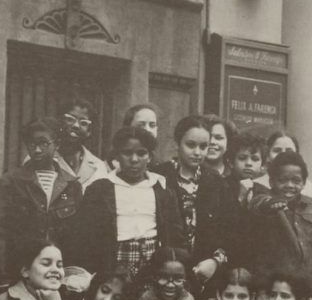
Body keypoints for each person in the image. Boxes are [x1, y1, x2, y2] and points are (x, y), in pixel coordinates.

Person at [68, 126, 185, 279]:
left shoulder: (162, 190)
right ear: (117, 155)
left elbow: (175, 234)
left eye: (141, 153)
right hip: (111, 264)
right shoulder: (100, 189)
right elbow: (84, 235)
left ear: (150, 157)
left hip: (153, 264)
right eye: (127, 153)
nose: (134, 159)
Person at [0, 117, 82, 291]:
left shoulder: (72, 186)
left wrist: (71, 276)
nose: (37, 150)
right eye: (32, 144)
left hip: (57, 276)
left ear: (57, 144)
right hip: (19, 273)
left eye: (43, 143)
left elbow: (76, 237)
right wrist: (3, 278)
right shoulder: (10, 182)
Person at [158, 115, 235, 288]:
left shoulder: (216, 182)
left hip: (203, 274)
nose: (198, 152)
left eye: (203, 146)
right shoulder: (159, 176)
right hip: (164, 273)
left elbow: (230, 231)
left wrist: (215, 261)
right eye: (191, 145)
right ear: (177, 144)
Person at [244, 150, 312, 300]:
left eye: (296, 180)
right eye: (283, 180)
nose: (289, 185)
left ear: (304, 182)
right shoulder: (263, 200)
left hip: (304, 292)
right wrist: (270, 204)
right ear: (272, 181)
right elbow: (257, 204)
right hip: (270, 292)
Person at [55, 93, 108, 191]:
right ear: (60, 122)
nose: (76, 125)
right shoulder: (40, 158)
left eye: (83, 123)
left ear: (89, 131)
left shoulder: (98, 167)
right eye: (70, 119)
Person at [257, 130, 312, 200]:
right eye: (277, 150)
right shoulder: (256, 185)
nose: (283, 154)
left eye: (289, 151)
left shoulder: (311, 190)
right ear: (267, 155)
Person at [224, 131, 267, 206]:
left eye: (255, 159)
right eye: (242, 158)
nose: (249, 163)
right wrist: (241, 197)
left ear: (262, 165)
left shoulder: (263, 191)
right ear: (231, 162)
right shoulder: (221, 187)